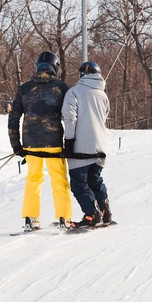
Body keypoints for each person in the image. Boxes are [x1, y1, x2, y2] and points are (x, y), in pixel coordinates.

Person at [8, 51, 72, 231]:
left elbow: (14, 117)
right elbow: (69, 117)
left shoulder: (25, 88)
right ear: (55, 67)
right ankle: (63, 218)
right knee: (59, 179)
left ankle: (30, 218)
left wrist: (16, 145)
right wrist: (71, 142)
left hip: (30, 143)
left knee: (33, 179)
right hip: (54, 143)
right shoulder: (61, 88)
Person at [62, 61, 112, 228]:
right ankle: (105, 212)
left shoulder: (74, 92)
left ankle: (92, 214)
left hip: (80, 147)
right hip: (100, 145)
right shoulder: (103, 95)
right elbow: (104, 117)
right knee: (95, 181)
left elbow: (70, 118)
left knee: (79, 184)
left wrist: (69, 143)